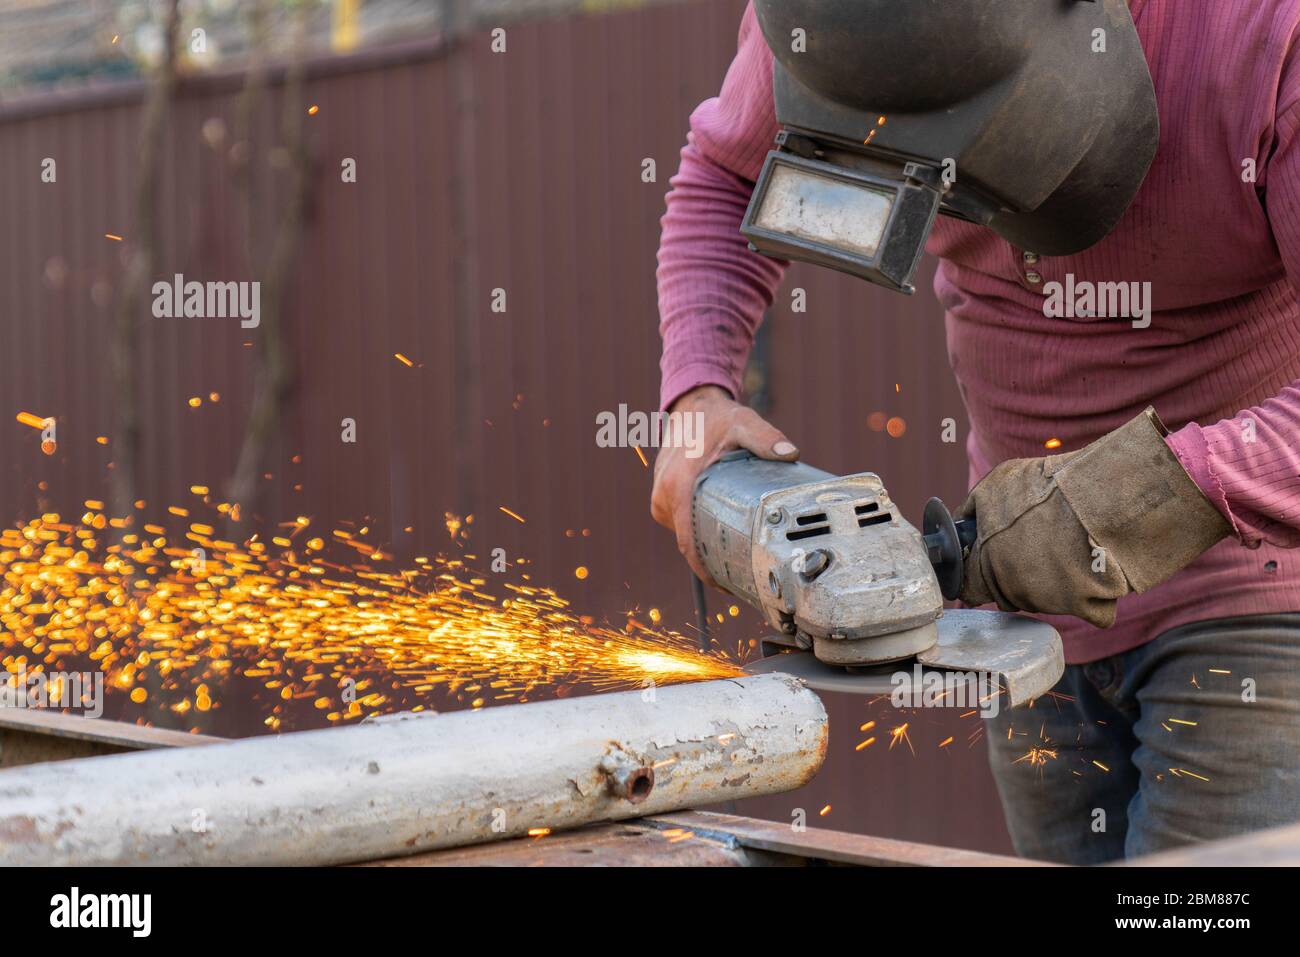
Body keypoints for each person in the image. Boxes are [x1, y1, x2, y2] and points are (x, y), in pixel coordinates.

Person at [651, 0, 1300, 864]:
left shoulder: (1262, 39)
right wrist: (696, 391)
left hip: (1250, 592)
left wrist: (1139, 502)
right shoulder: (839, 24)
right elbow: (727, 177)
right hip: (1017, 617)